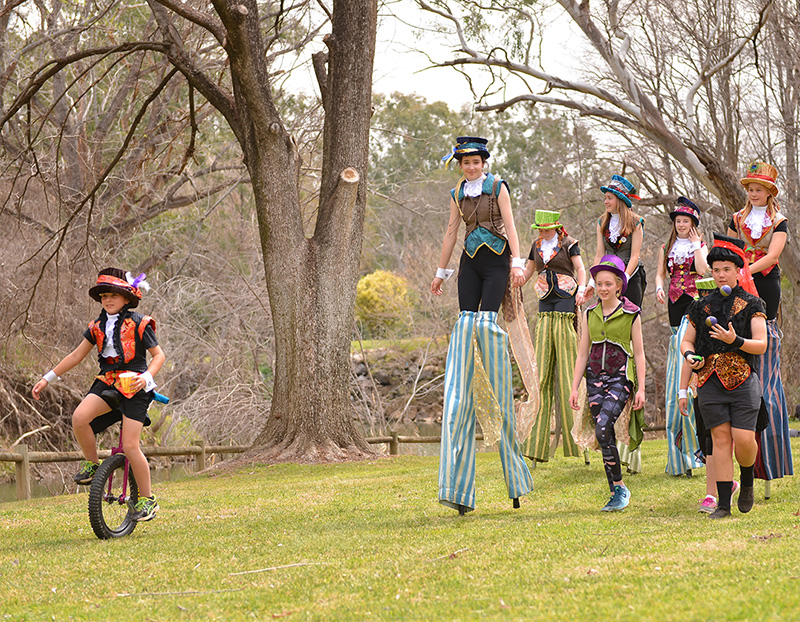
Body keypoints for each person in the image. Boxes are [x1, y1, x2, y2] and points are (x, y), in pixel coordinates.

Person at [432, 136, 533, 514]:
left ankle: (492, 370)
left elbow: (510, 224)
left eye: (475, 162)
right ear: (460, 165)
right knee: (465, 323)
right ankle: (466, 372)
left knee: (487, 324)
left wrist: (518, 262)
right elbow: (450, 232)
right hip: (470, 263)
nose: (471, 167)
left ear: (484, 162)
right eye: (465, 162)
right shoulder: (458, 192)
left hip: (496, 260)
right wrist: (441, 273)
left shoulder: (497, 187)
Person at [32, 268, 165, 522]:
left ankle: (148, 500)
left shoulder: (139, 323)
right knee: (80, 418)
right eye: (104, 295)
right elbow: (75, 356)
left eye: (113, 295)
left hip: (136, 387)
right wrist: (46, 379)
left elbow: (159, 356)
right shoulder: (96, 327)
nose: (107, 299)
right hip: (107, 383)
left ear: (127, 298)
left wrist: (145, 378)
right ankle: (93, 464)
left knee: (130, 445)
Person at [679, 234, 768, 519]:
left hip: (743, 380)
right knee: (719, 440)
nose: (720, 274)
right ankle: (723, 505)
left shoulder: (753, 304)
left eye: (726, 269)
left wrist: (735, 340)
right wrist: (689, 355)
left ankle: (747, 479)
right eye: (715, 269)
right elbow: (687, 341)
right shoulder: (700, 305)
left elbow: (761, 344)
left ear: (738, 270)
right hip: (709, 381)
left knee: (743, 439)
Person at [726, 161, 793, 482]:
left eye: (758, 189)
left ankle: (772, 460)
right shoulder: (737, 219)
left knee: (766, 377)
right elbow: (725, 249)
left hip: (765, 287)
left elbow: (772, 256)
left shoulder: (779, 222)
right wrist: (728, 272)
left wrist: (743, 271)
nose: (753, 193)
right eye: (750, 189)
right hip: (737, 287)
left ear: (769, 193)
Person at [569, 255, 646, 511]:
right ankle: (615, 491)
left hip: (621, 377)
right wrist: (574, 387)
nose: (602, 289)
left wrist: (642, 388)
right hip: (594, 380)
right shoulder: (589, 313)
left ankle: (620, 487)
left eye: (608, 284)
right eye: (599, 284)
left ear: (618, 286)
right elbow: (582, 353)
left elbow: (641, 353)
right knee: (604, 434)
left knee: (603, 427)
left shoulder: (631, 314)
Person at [586, 174, 646, 473]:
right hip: (606, 279)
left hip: (629, 281)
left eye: (609, 197)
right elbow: (599, 255)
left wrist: (622, 280)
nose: (605, 201)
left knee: (628, 341)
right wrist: (593, 281)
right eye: (605, 197)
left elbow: (634, 256)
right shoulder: (601, 222)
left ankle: (631, 443)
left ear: (620, 200)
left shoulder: (636, 222)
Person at [520, 210, 586, 463]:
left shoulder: (569, 245)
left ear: (556, 227)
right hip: (544, 305)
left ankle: (577, 440)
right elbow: (526, 275)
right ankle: (536, 445)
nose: (542, 232)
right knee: (543, 372)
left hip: (566, 303)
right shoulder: (535, 247)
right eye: (539, 228)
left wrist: (581, 289)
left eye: (546, 228)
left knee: (568, 369)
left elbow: (580, 269)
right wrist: (512, 277)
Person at [655, 197, 708, 477]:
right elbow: (660, 274)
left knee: (686, 373)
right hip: (674, 311)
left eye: (686, 221)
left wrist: (698, 244)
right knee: (675, 368)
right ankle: (679, 455)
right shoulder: (668, 247)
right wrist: (659, 288)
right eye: (678, 221)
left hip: (693, 309)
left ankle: (696, 452)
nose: (682, 225)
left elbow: (702, 270)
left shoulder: (699, 247)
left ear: (693, 224)